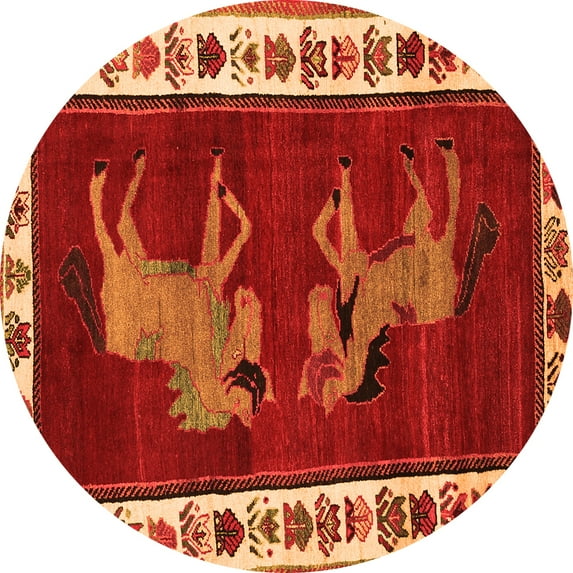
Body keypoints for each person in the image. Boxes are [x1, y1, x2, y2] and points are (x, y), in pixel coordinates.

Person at [59, 148, 271, 429]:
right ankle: (114, 182)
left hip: (174, 316)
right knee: (124, 233)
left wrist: (213, 308)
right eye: (243, 401)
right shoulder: (226, 379)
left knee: (118, 239)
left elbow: (202, 352)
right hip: (184, 309)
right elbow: (222, 345)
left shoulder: (216, 397)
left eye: (241, 406)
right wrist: (240, 316)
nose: (237, 403)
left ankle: (100, 188)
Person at [301, 138, 500, 411]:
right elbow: (331, 233)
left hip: (398, 289)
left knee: (433, 222)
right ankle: (446, 158)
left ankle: (440, 160)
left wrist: (341, 189)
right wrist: (339, 192)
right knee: (440, 225)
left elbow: (331, 233)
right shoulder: (359, 302)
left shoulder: (354, 298)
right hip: (413, 291)